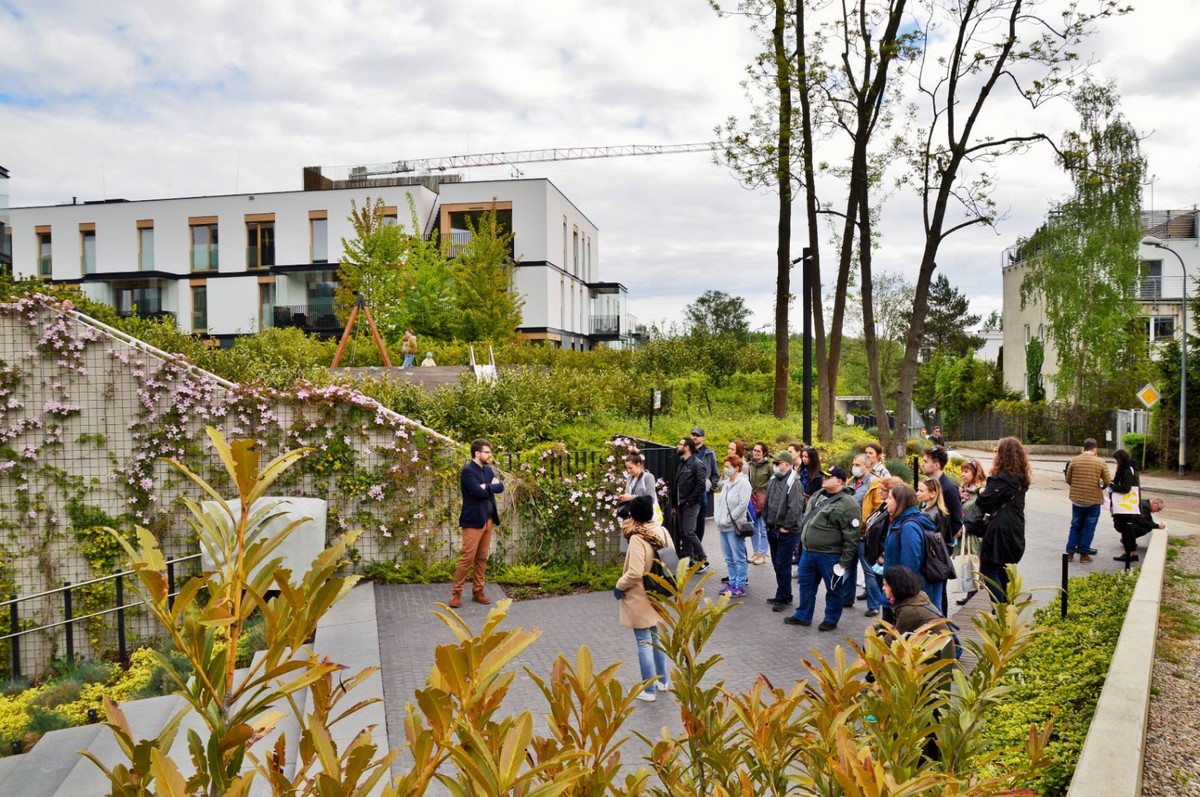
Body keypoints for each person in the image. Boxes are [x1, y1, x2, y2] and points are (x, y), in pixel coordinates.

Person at [881, 564, 955, 763]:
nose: (883, 589)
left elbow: (890, 644)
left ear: (896, 587)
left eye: (886, 585)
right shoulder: (917, 598)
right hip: (938, 658)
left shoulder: (909, 612)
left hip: (932, 665)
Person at [786, 466, 860, 631]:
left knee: (833, 589)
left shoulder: (848, 504)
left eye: (829, 477)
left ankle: (831, 619)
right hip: (809, 552)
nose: (824, 479)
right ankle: (802, 615)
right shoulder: (818, 494)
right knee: (805, 585)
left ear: (839, 481)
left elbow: (851, 536)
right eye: (824, 476)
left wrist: (844, 562)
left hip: (830, 555)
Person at [614, 494, 671, 702]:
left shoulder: (638, 538)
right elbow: (672, 559)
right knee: (656, 636)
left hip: (639, 596)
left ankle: (648, 690)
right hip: (657, 592)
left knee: (643, 641)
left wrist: (619, 585)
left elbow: (635, 572)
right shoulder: (661, 530)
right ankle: (663, 681)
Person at [975, 437, 1030, 604]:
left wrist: (980, 492)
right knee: (1001, 568)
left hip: (1000, 528)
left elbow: (984, 502)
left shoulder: (1002, 479)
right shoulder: (1021, 477)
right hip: (1015, 525)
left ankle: (1000, 611)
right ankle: (1007, 609)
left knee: (989, 569)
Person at [451, 438, 504, 608]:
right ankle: (456, 594)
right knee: (468, 558)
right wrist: (490, 487)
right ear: (477, 453)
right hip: (473, 522)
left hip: (488, 521)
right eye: (487, 452)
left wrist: (486, 486)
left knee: (482, 558)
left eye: (490, 452)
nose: (490, 455)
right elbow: (477, 492)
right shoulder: (468, 471)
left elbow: (500, 487)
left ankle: (478, 591)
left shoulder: (488, 470)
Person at [882, 483, 943, 612]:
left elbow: (909, 564)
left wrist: (898, 592)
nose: (886, 501)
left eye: (890, 498)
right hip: (895, 589)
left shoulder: (909, 526)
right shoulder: (898, 521)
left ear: (900, 502)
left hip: (904, 593)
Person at [763, 450, 804, 612]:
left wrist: (785, 527)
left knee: (782, 564)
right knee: (776, 564)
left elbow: (795, 508)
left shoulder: (794, 482)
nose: (775, 466)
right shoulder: (774, 479)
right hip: (772, 528)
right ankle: (784, 593)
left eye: (778, 463)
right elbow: (769, 501)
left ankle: (783, 597)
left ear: (787, 464)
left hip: (787, 531)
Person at [1064, 438, 1111, 563]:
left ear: (1083, 448)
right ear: (1095, 449)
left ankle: (1070, 552)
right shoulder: (1101, 462)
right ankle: (1084, 554)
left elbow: (1068, 479)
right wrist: (1101, 487)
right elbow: (1107, 481)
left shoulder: (1074, 461)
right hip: (1093, 500)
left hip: (1077, 499)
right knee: (1089, 527)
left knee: (1075, 526)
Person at [844, 454, 882, 610]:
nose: (854, 467)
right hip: (849, 534)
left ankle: (874, 605)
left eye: (858, 464)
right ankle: (847, 599)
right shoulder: (851, 482)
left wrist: (868, 528)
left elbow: (878, 510)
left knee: (869, 571)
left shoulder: (874, 484)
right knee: (848, 567)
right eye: (853, 463)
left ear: (867, 467)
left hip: (864, 535)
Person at [863, 476, 903, 614]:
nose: (880, 492)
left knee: (885, 587)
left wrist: (882, 554)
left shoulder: (893, 512)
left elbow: (889, 535)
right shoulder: (883, 506)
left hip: (881, 556)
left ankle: (877, 608)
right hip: (873, 550)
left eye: (884, 490)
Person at [715, 454, 752, 597]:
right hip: (722, 526)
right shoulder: (726, 483)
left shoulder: (743, 483)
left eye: (728, 467)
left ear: (737, 468)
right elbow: (721, 502)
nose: (725, 469)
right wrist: (719, 518)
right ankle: (731, 583)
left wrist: (729, 520)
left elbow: (743, 505)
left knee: (738, 557)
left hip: (734, 526)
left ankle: (740, 585)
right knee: (728, 558)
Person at [674, 437, 708, 572]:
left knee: (689, 531)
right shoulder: (682, 463)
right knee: (683, 532)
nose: (677, 446)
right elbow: (677, 484)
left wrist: (690, 500)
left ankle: (702, 559)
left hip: (691, 503)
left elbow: (701, 485)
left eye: (680, 444)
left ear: (687, 447)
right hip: (681, 503)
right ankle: (689, 559)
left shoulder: (696, 464)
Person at [955, 459, 985, 605]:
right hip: (964, 533)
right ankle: (970, 593)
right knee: (967, 562)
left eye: (966, 471)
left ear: (975, 473)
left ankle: (978, 592)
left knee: (974, 562)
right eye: (963, 471)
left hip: (974, 534)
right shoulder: (962, 491)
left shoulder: (979, 492)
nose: (963, 474)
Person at [922, 446, 963, 546]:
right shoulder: (926, 484)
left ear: (936, 465)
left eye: (926, 462)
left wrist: (941, 542)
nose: (922, 464)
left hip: (939, 549)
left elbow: (956, 521)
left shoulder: (949, 488)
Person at [690, 427, 720, 544]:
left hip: (703, 492)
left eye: (697, 435)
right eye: (693, 435)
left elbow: (715, 474)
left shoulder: (709, 453)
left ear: (702, 437)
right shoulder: (687, 451)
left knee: (700, 521)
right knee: (689, 522)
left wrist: (711, 490)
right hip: (689, 491)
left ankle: (698, 547)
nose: (694, 437)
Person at [1113, 496, 1165, 562]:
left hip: (1126, 521)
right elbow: (1142, 521)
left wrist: (1157, 525)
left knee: (1145, 528)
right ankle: (1129, 554)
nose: (1158, 511)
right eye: (1159, 509)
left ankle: (1133, 554)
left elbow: (1149, 520)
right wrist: (1157, 526)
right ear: (1154, 503)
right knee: (1139, 529)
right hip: (1122, 523)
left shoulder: (1146, 505)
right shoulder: (1144, 506)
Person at [746, 442, 773, 565]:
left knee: (763, 528)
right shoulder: (749, 465)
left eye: (758, 451)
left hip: (764, 500)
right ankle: (756, 551)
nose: (756, 453)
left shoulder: (769, 466)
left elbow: (773, 483)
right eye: (754, 450)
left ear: (764, 453)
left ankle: (762, 553)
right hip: (751, 499)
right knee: (753, 527)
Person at [618, 452, 659, 521]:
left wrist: (631, 497)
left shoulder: (648, 477)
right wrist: (624, 498)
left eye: (631, 468)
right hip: (631, 517)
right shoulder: (629, 478)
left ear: (638, 464)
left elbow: (651, 499)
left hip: (644, 517)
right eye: (627, 468)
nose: (628, 471)